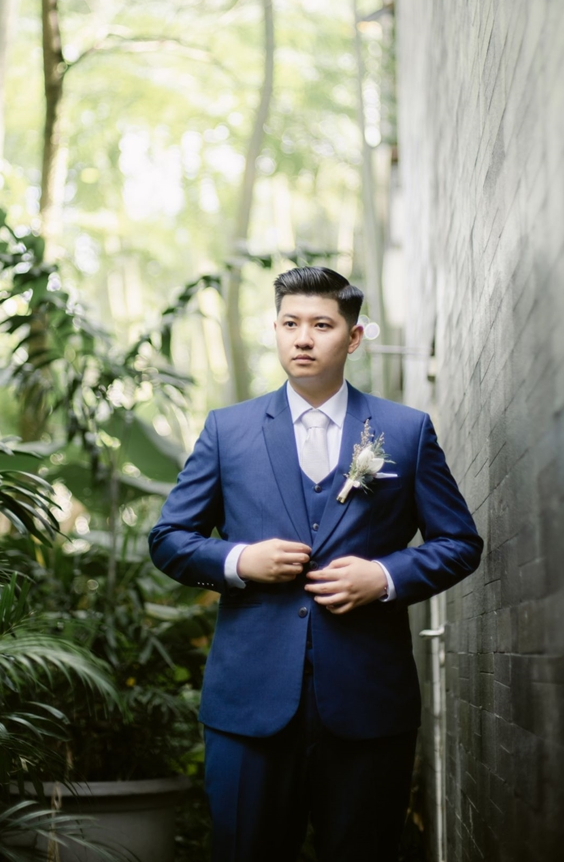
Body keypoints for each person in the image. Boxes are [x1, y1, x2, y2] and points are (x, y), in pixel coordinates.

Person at [148, 266, 482, 862]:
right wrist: (240, 560)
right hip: (248, 706)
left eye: (321, 325)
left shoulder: (405, 431)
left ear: (352, 338)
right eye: (289, 324)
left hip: (368, 704)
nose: (303, 338)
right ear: (276, 330)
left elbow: (459, 542)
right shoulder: (228, 430)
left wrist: (384, 577)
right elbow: (169, 539)